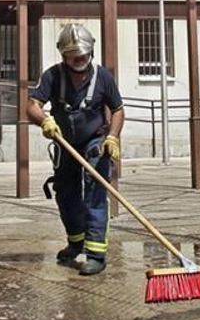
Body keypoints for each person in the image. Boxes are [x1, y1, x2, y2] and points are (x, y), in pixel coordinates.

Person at [26, 23, 125, 276]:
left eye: (83, 55)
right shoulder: (52, 76)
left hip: (95, 142)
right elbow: (32, 105)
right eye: (74, 56)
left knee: (94, 192)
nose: (80, 60)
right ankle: (75, 242)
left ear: (91, 53)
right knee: (66, 194)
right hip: (64, 143)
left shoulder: (103, 77)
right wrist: (45, 120)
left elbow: (117, 109)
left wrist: (112, 137)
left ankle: (95, 254)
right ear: (64, 55)